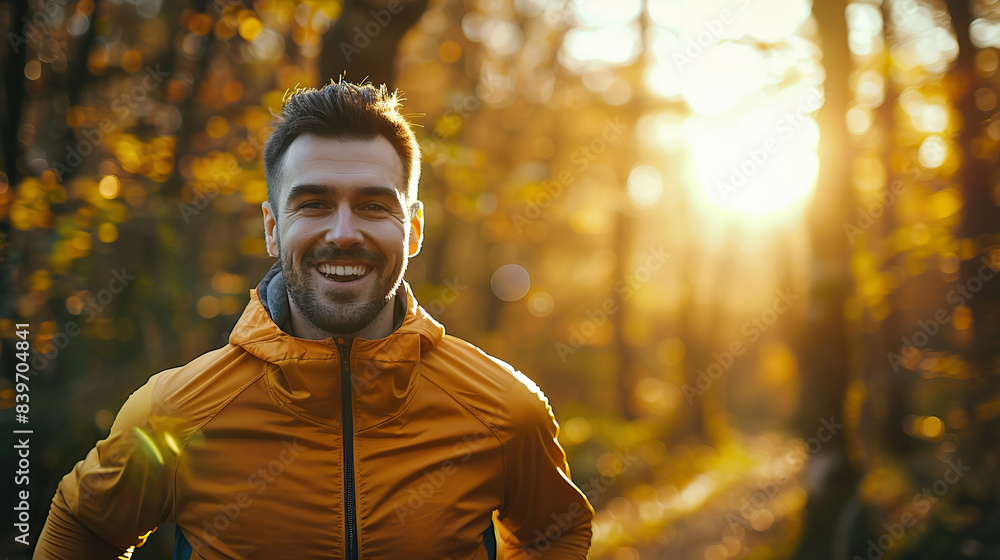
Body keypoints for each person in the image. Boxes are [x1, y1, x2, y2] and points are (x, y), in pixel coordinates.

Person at [34, 79, 594, 560]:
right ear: (272, 228)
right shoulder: (174, 414)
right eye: (313, 204)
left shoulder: (504, 411)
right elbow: (84, 529)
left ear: (414, 230)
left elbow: (557, 532)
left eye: (374, 205)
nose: (344, 233)